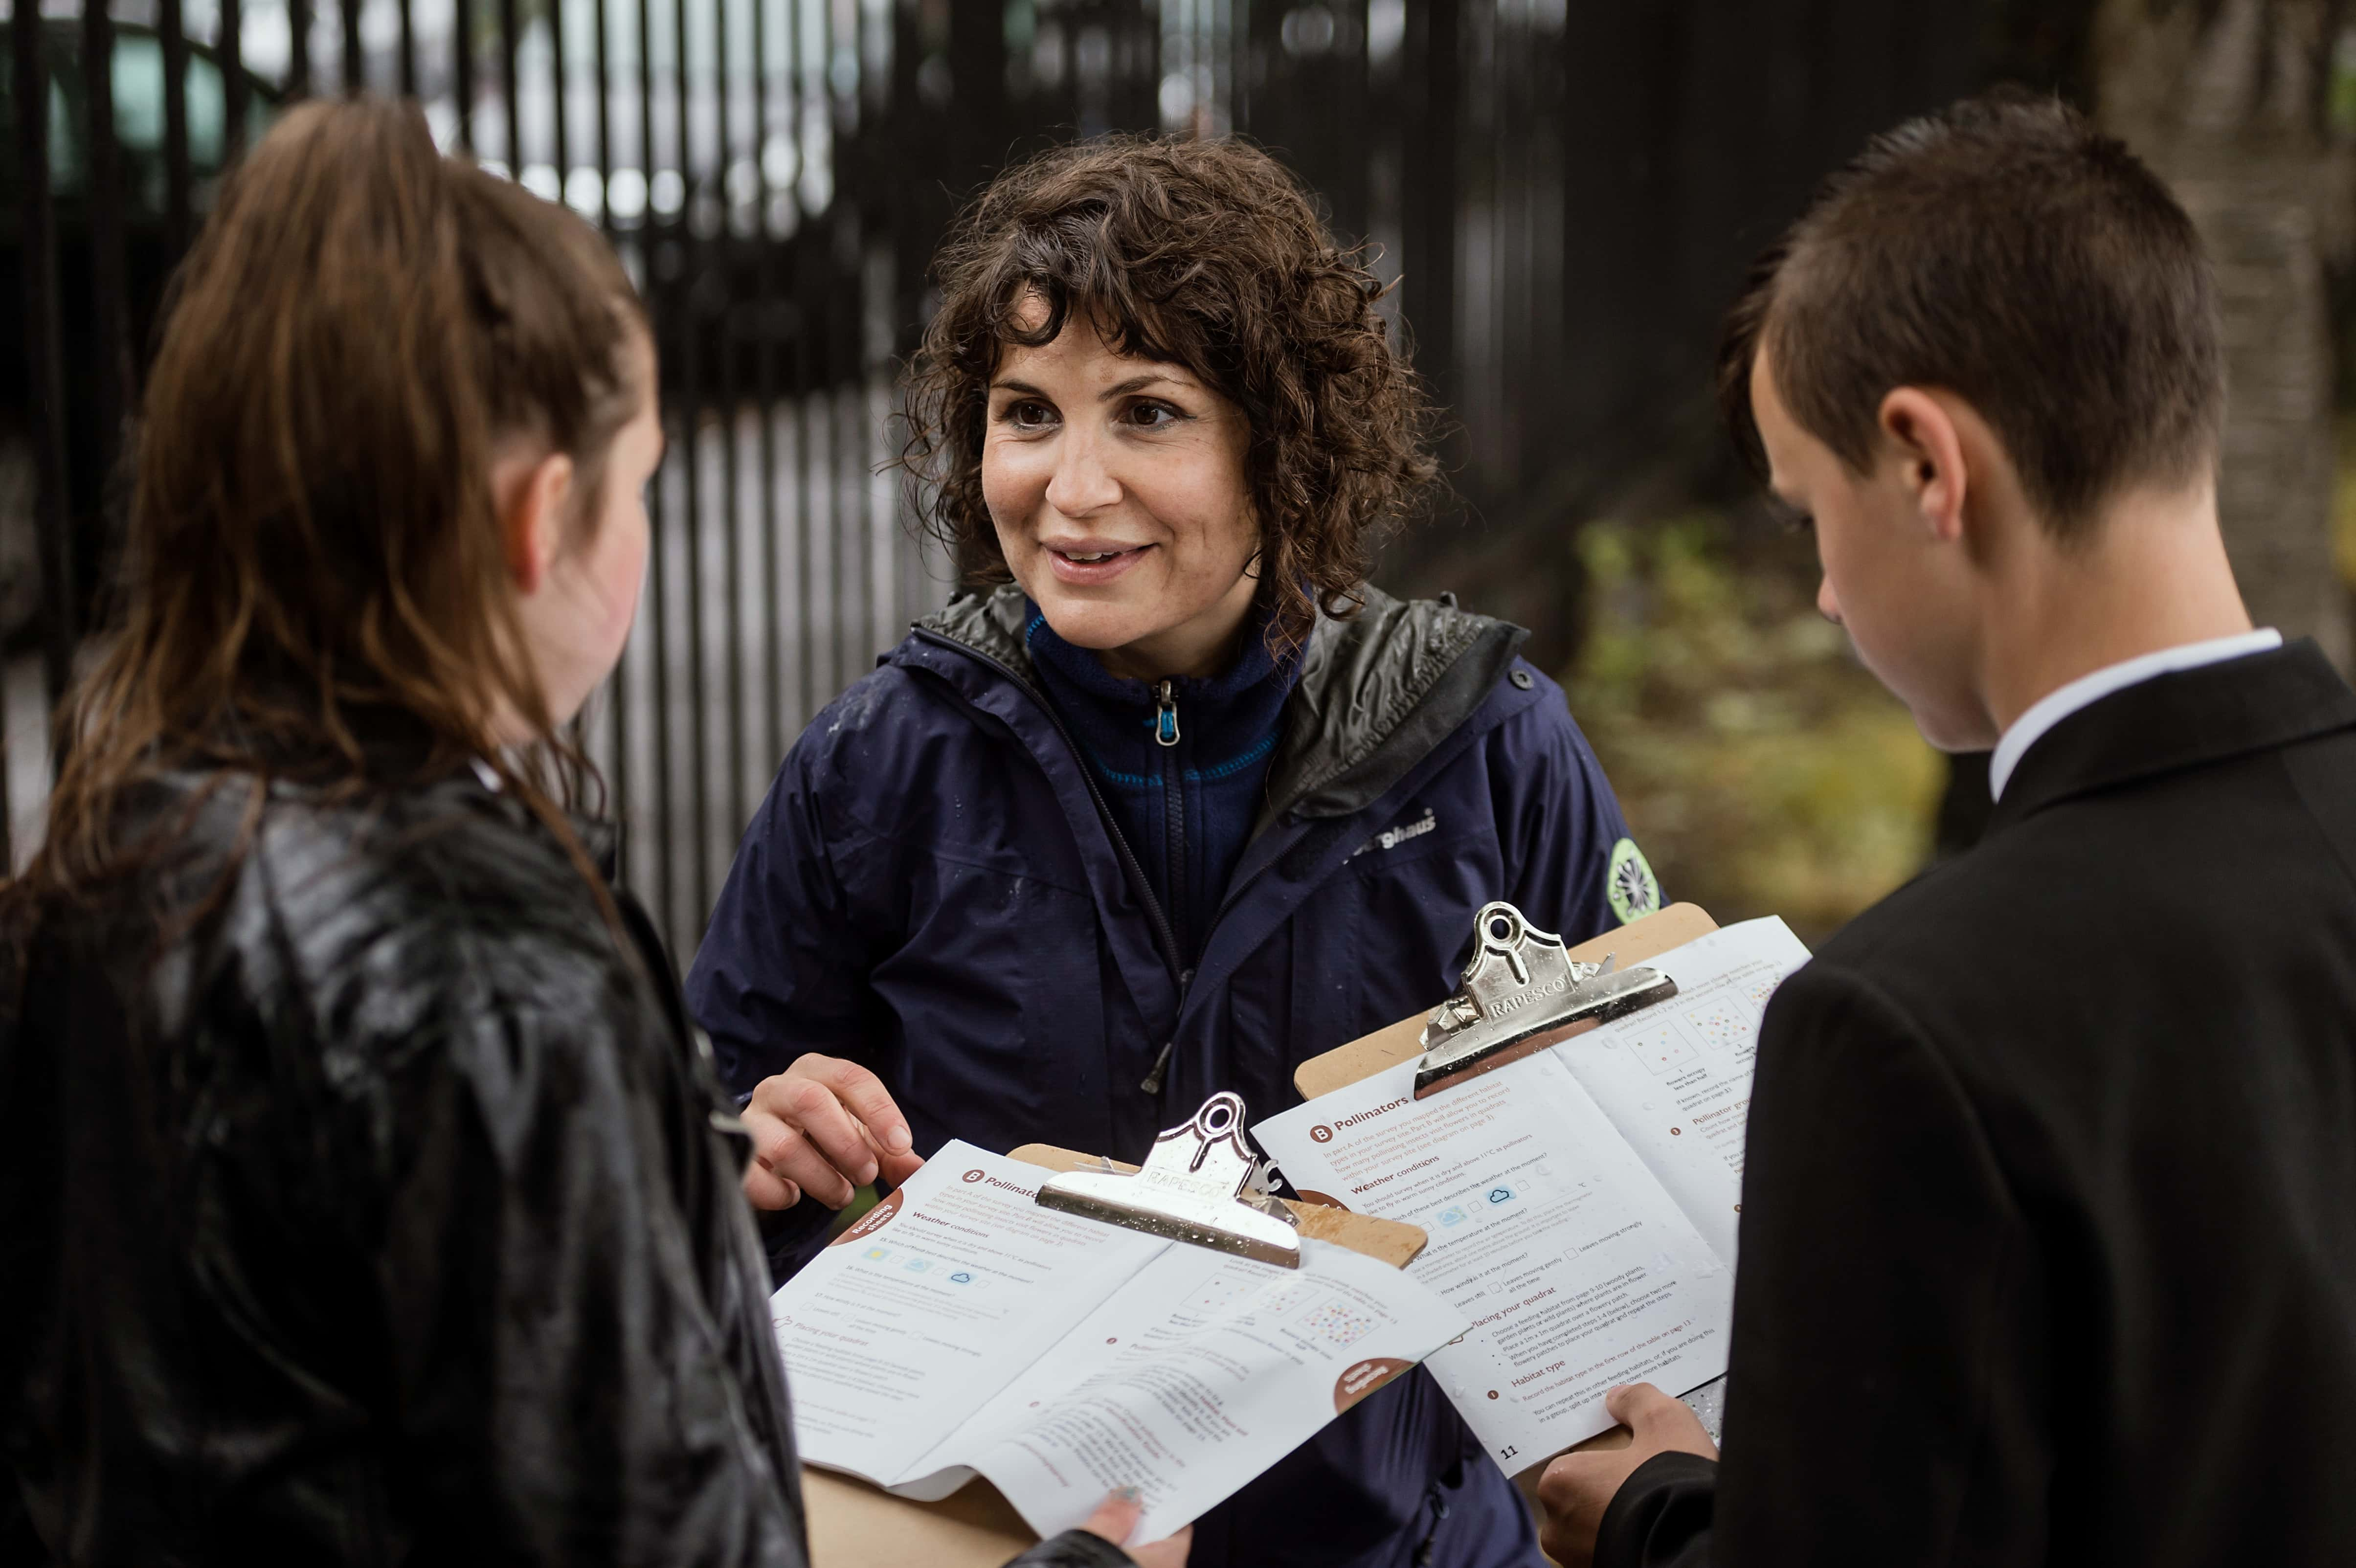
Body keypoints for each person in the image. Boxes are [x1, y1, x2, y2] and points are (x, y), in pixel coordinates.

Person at [0, 98, 1175, 1568]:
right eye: (643, 484)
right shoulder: (494, 982)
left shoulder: (125, 846)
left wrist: (684, 1164)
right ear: (538, 516)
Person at [686, 134, 1660, 1568]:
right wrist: (761, 1146)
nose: (1070, 489)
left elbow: (1650, 1193)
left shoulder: (1491, 748)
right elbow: (699, 1176)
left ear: (1285, 444)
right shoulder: (880, 762)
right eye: (1027, 413)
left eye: (1148, 412)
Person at [1535, 92, 2356, 1568]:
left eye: (1807, 514)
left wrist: (1664, 1519)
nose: (1832, 595)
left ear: (1927, 465)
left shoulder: (1905, 1028)